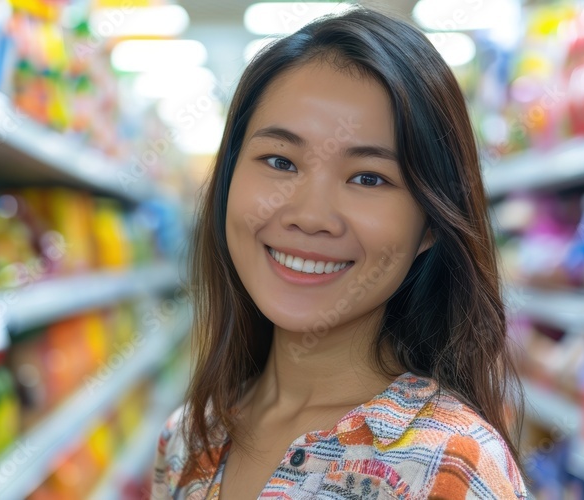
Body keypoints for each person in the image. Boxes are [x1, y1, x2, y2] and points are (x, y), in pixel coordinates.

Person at [153, 7, 527, 499]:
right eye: (280, 161)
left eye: (369, 177)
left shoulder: (450, 467)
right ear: (226, 184)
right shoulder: (187, 438)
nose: (310, 216)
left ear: (431, 224)